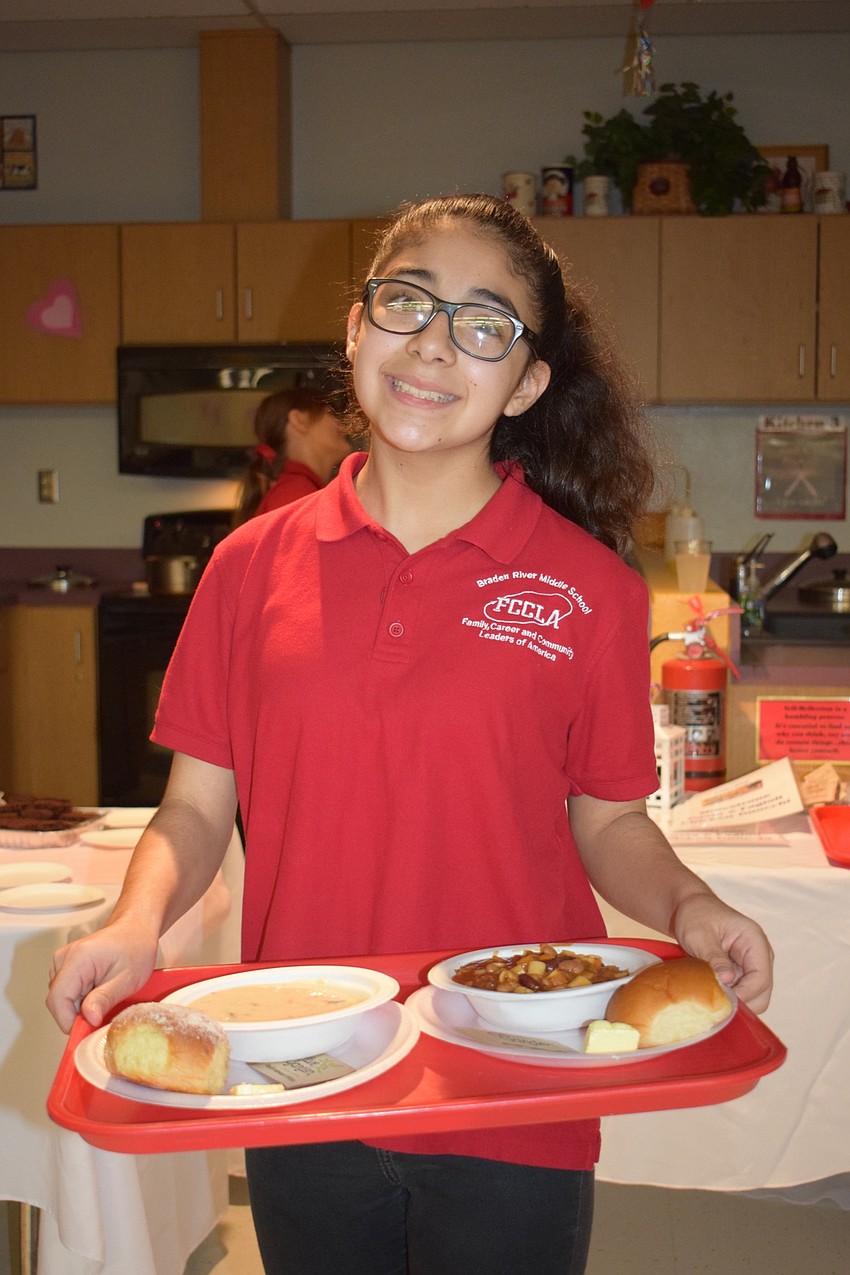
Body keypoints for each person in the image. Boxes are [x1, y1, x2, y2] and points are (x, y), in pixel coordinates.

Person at [47, 193, 773, 1274]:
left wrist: (688, 903)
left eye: (484, 324)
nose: (434, 343)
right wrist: (137, 924)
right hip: (305, 1058)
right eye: (406, 302)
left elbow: (609, 820)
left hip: (519, 1068)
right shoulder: (251, 566)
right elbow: (197, 806)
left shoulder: (591, 590)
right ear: (355, 328)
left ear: (527, 380)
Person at [232, 385, 351, 526]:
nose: (343, 425)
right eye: (331, 413)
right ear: (299, 420)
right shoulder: (297, 494)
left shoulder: (291, 491)